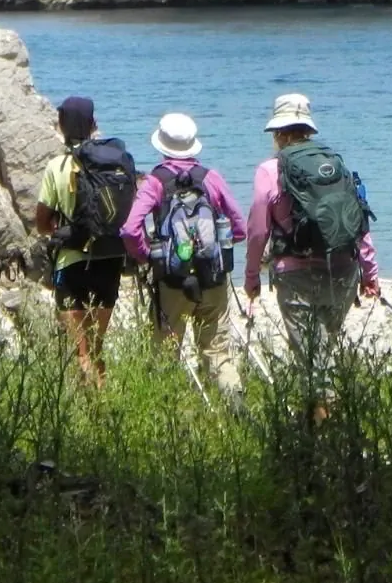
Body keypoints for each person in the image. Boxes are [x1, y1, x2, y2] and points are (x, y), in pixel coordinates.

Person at [244, 93, 380, 410]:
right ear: (308, 129)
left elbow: (258, 230)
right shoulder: (334, 164)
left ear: (278, 133)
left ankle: (321, 439)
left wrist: (252, 276)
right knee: (325, 352)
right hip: (343, 270)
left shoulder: (269, 169)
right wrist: (370, 273)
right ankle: (329, 428)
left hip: (296, 274)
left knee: (311, 360)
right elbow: (357, 221)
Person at [123, 112, 248, 398]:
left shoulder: (155, 182)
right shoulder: (211, 178)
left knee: (166, 352)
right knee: (216, 351)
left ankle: (171, 418)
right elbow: (238, 227)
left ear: (161, 146)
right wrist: (215, 249)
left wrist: (148, 256)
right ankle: (235, 406)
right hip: (213, 278)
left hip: (173, 281)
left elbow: (130, 230)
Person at [35, 96, 139, 385]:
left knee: (79, 352)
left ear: (60, 126)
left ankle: (86, 416)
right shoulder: (115, 161)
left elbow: (42, 223)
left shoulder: (57, 166)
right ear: (94, 125)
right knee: (96, 347)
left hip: (72, 263)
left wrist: (60, 228)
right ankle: (104, 412)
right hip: (110, 260)